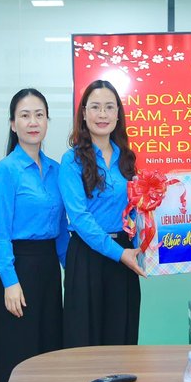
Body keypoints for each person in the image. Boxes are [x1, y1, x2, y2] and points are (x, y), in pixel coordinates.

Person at [0, 88, 69, 382]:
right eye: (24, 115)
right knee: (20, 353)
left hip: (49, 267)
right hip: (19, 268)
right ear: (13, 124)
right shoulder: (6, 170)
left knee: (50, 348)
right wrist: (10, 281)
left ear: (47, 121)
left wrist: (72, 271)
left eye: (39, 115)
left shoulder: (56, 170)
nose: (32, 122)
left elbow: (62, 230)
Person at [59, 80, 143, 348]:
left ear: (118, 113)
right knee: (85, 343)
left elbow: (138, 211)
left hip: (125, 258)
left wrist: (144, 249)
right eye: (95, 107)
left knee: (122, 339)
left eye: (109, 107)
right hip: (87, 257)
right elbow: (80, 219)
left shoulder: (127, 158)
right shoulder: (71, 160)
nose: (103, 114)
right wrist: (121, 254)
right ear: (84, 113)